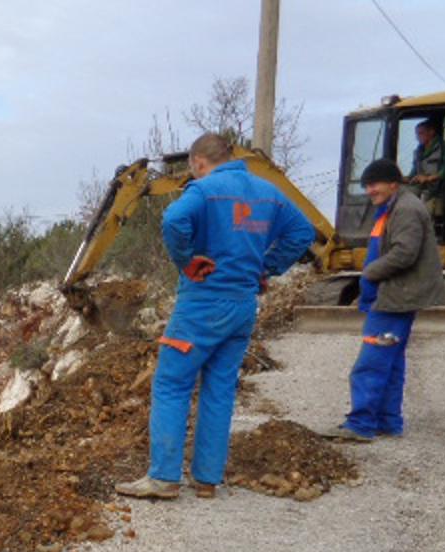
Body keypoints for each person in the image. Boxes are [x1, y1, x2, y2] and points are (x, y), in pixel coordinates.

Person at [117, 133, 316, 500]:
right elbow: (303, 232)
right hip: (242, 306)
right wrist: (267, 267)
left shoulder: (204, 189)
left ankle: (164, 477)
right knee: (220, 388)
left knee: (172, 383)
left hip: (203, 303)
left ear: (198, 162)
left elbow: (173, 220)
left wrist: (187, 261)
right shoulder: (268, 191)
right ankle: (207, 479)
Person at [322, 158, 445, 442]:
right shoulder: (393, 207)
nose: (369, 190)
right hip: (394, 295)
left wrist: (370, 272)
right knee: (390, 362)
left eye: (374, 184)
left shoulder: (406, 209)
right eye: (366, 185)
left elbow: (405, 253)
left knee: (372, 361)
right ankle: (387, 422)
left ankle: (361, 424)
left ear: (393, 183)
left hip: (395, 298)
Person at [410, 120, 445, 213]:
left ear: (431, 132)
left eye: (421, 133)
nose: (418, 137)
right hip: (423, 190)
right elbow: (412, 174)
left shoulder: (444, 147)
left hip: (440, 191)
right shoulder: (418, 152)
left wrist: (429, 178)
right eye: (416, 134)